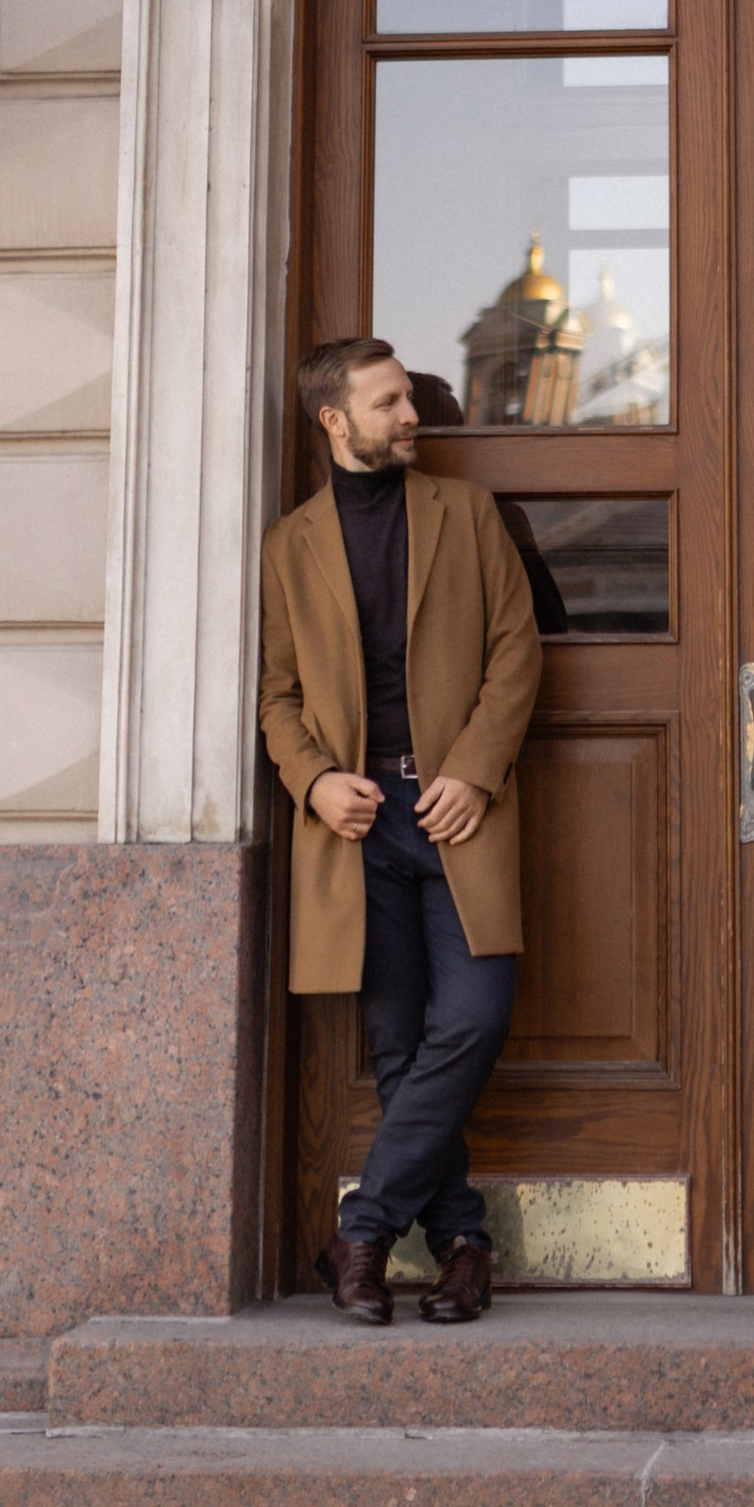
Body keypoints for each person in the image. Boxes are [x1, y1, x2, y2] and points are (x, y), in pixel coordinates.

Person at [259, 336, 543, 1326]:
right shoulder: (289, 543)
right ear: (336, 421)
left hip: (458, 813)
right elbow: (277, 696)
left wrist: (473, 769)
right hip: (357, 830)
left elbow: (517, 650)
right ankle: (463, 1243)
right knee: (394, 1043)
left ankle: (365, 1230)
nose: (410, 414)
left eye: (407, 399)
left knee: (472, 1018)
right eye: (387, 403)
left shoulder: (464, 513)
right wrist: (314, 784)